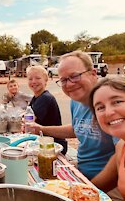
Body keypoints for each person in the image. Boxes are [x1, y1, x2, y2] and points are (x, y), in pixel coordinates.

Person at [25, 51, 119, 179]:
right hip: (81, 169)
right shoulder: (76, 101)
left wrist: (91, 187)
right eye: (63, 80)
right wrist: (41, 129)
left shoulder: (111, 104)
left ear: (93, 74)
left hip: (109, 182)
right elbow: (76, 129)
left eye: (75, 76)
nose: (69, 84)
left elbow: (124, 156)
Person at [26, 65, 68, 155]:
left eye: (37, 78)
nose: (33, 81)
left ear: (46, 80)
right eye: (30, 79)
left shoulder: (45, 98)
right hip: (43, 141)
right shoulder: (36, 98)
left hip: (53, 144)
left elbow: (29, 121)